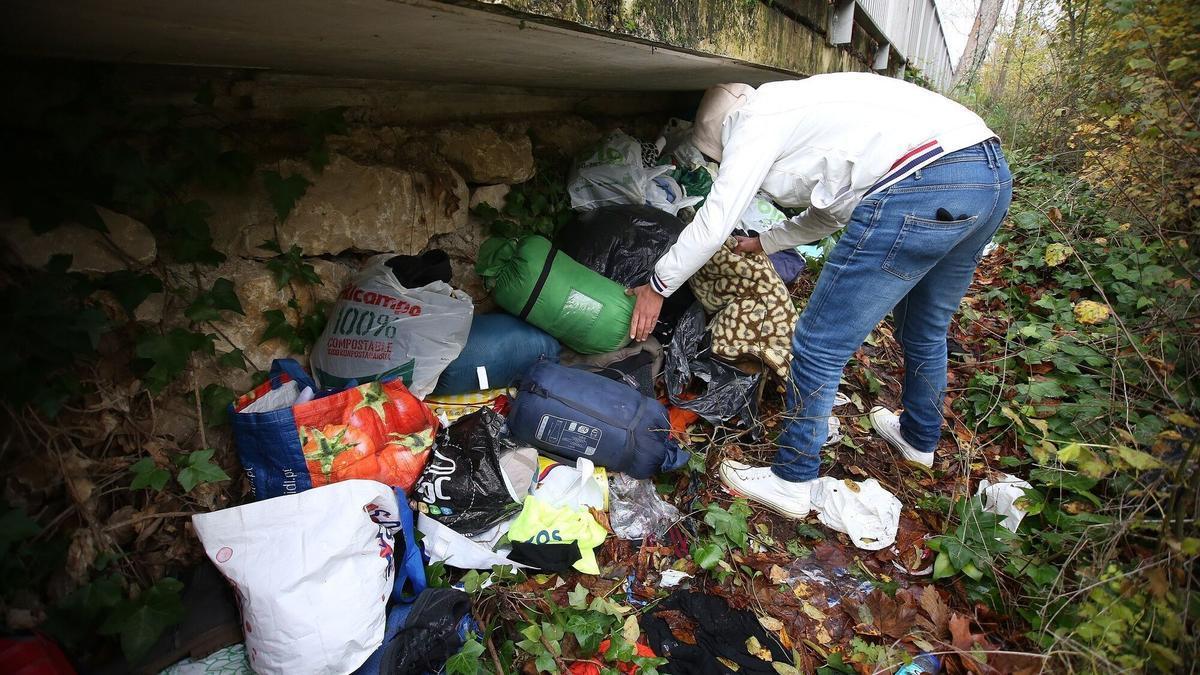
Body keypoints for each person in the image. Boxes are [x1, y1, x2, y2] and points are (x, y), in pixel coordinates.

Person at [627, 73, 1011, 518]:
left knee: (816, 343)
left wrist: (657, 286)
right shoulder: (807, 105)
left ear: (724, 131)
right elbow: (833, 209)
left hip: (924, 182)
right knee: (925, 328)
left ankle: (792, 478)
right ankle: (919, 439)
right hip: (987, 174)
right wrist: (768, 242)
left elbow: (714, 223)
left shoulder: (754, 119)